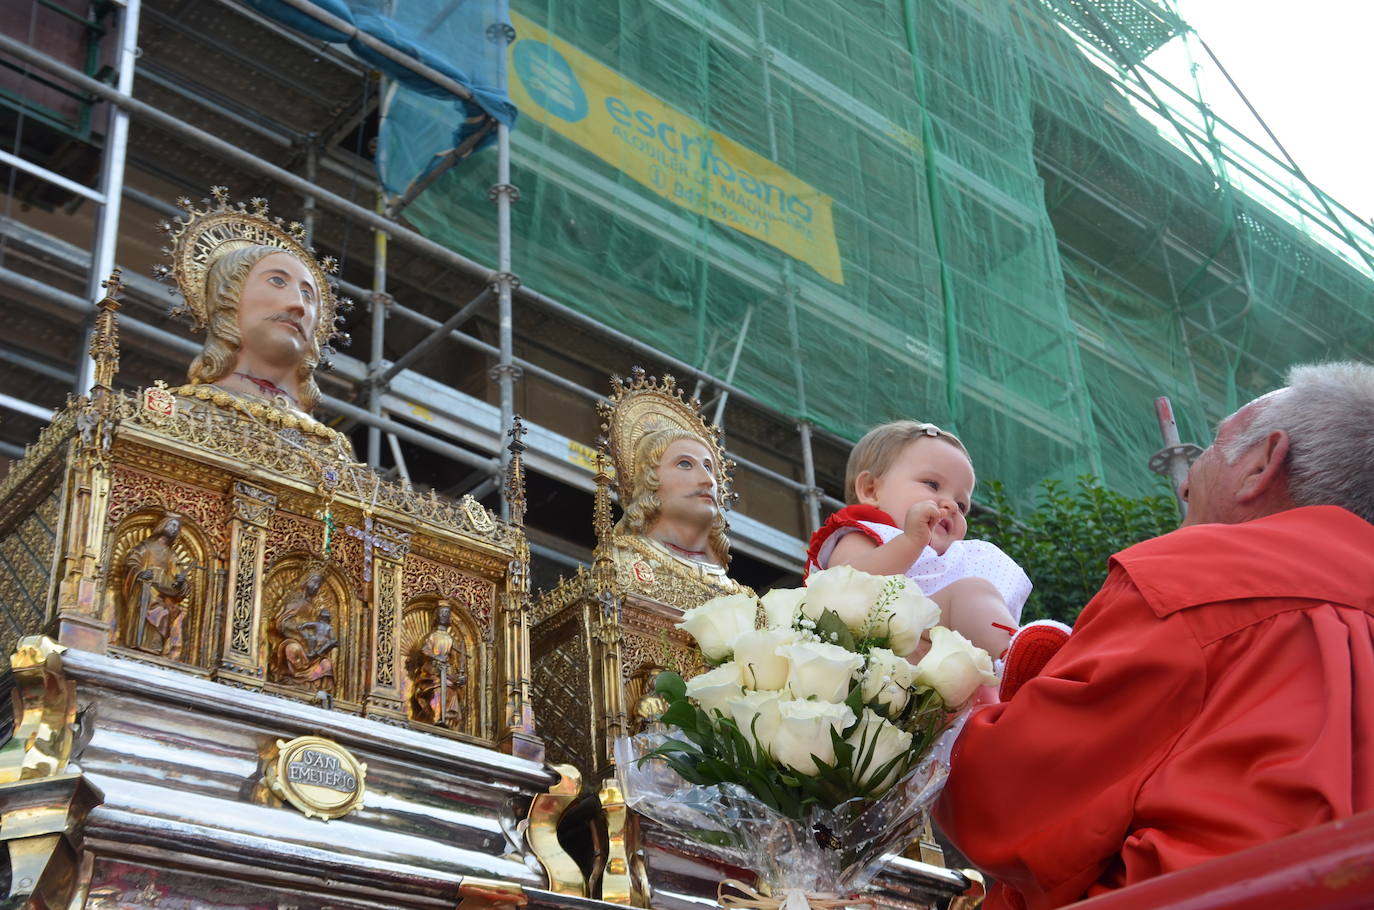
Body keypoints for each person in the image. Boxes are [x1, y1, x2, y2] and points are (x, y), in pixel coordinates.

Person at [935, 361, 1374, 910]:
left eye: (1211, 449)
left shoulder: (1201, 581)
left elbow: (1004, 808)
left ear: (1263, 463)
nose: (1187, 482)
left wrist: (949, 681)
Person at [807, 420, 1029, 659]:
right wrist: (911, 542)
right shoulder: (864, 532)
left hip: (939, 654)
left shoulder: (957, 562)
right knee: (971, 591)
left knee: (977, 592)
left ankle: (1020, 658)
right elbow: (844, 586)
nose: (951, 505)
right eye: (932, 485)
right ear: (871, 490)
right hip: (881, 640)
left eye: (962, 505)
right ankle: (1014, 657)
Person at [614, 426, 730, 569]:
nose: (708, 480)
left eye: (708, 467)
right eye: (685, 464)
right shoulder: (622, 566)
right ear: (649, 478)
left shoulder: (734, 589)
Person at [122, 513, 191, 659]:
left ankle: (154, 646)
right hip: (144, 588)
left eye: (176, 527)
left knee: (164, 612)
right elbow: (132, 562)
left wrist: (180, 581)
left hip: (161, 594)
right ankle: (137, 642)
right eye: (171, 524)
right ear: (163, 525)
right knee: (146, 604)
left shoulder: (172, 555)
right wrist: (140, 573)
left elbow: (176, 578)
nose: (173, 529)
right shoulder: (146, 546)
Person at [271, 569, 337, 693]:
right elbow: (280, 622)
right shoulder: (295, 601)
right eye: (314, 582)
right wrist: (301, 632)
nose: (316, 587)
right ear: (306, 582)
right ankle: (290, 678)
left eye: (319, 584)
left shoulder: (311, 606)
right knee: (293, 649)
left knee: (327, 664)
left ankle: (316, 689)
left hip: (310, 648)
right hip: (293, 640)